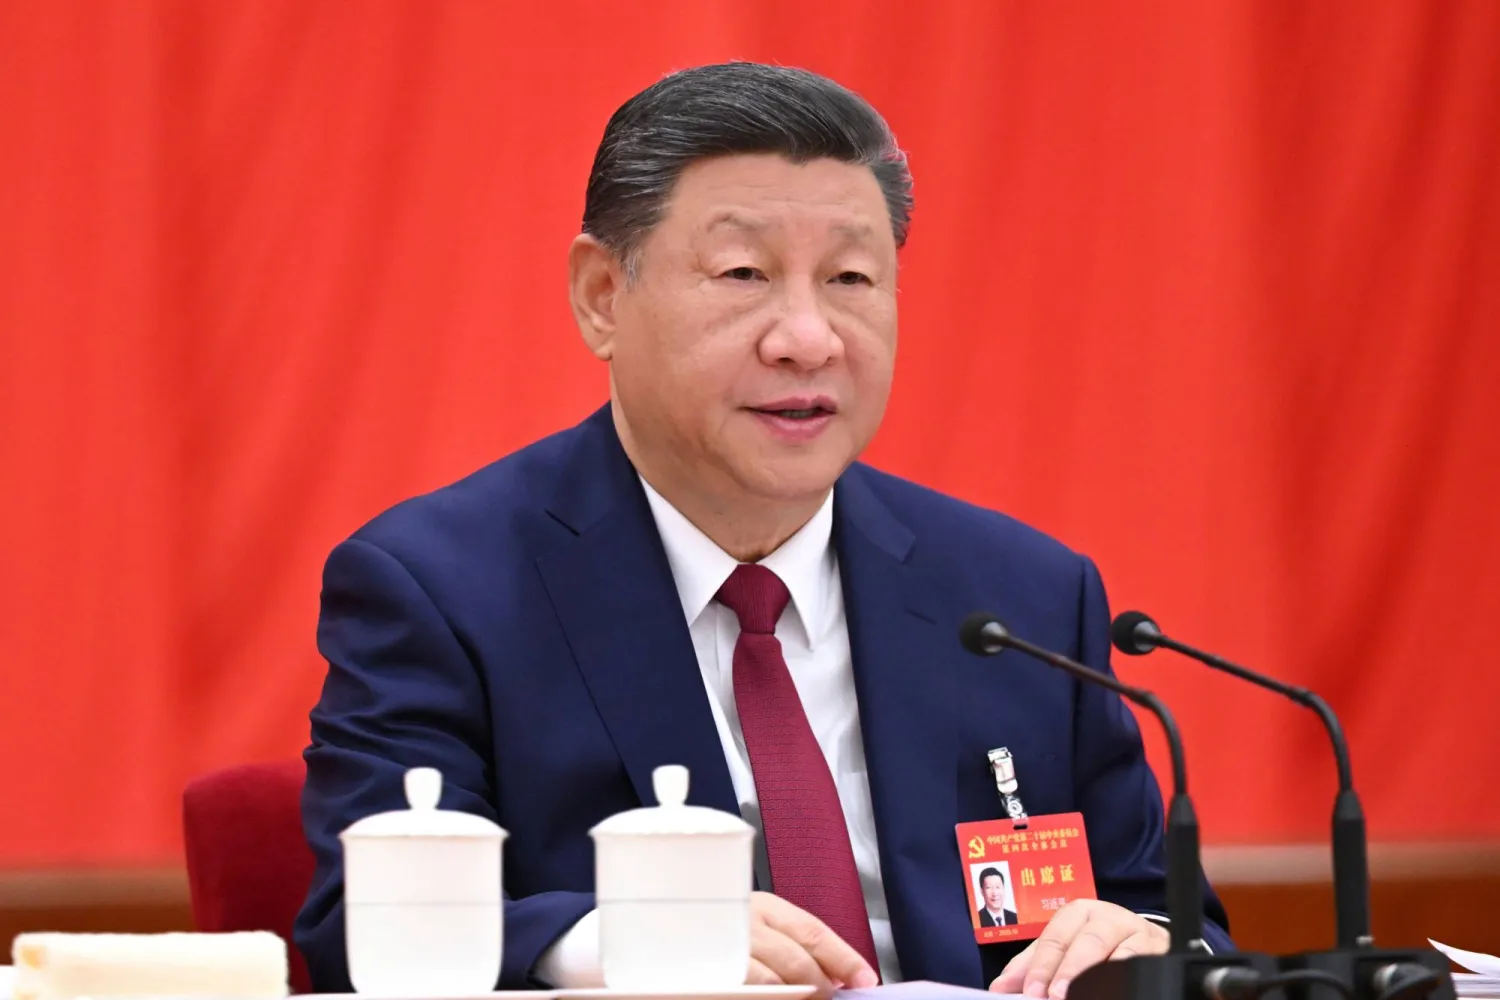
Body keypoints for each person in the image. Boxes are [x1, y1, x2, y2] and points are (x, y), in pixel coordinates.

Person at [294, 61, 1232, 1000]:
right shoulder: (442, 588)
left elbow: (1170, 917)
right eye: (744, 274)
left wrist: (1146, 945)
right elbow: (366, 929)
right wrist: (612, 946)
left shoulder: (1020, 598)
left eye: (850, 278)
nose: (807, 338)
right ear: (602, 296)